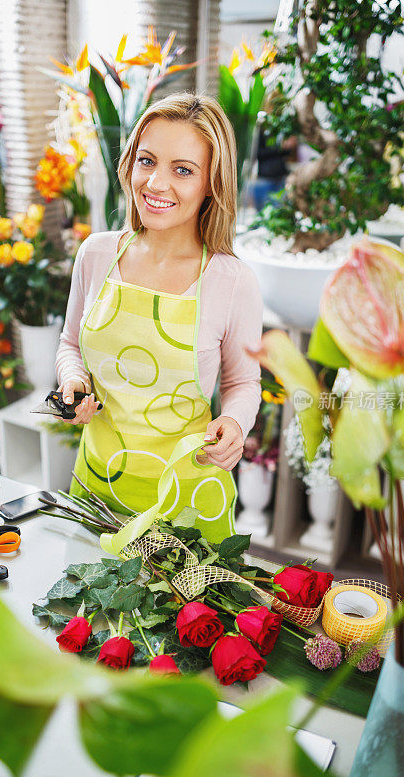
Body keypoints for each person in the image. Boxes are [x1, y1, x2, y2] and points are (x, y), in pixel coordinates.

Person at [55, 93, 262, 542]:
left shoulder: (231, 281)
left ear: (212, 183)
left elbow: (244, 382)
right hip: (97, 486)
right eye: (146, 160)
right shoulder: (96, 254)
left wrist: (235, 424)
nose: (156, 182)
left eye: (182, 170)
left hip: (189, 499)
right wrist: (74, 383)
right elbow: (70, 344)